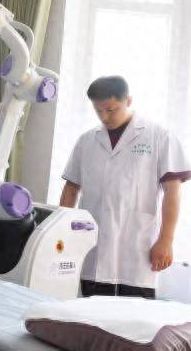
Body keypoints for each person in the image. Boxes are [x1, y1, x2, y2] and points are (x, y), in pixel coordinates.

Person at [60, 76, 190, 299]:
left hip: (138, 249)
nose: (104, 117)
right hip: (93, 246)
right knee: (91, 313)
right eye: (98, 111)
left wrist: (166, 240)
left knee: (134, 314)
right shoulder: (86, 141)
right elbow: (71, 189)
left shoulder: (159, 136)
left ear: (128, 101)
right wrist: (62, 232)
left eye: (111, 109)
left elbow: (173, 191)